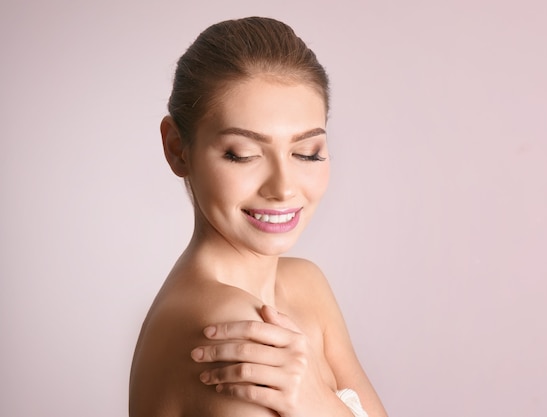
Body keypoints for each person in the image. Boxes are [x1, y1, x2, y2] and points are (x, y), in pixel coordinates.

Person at [129, 16, 387, 417]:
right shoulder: (228, 331)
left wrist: (318, 404)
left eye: (307, 153)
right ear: (178, 148)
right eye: (242, 154)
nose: (283, 187)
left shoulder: (306, 285)